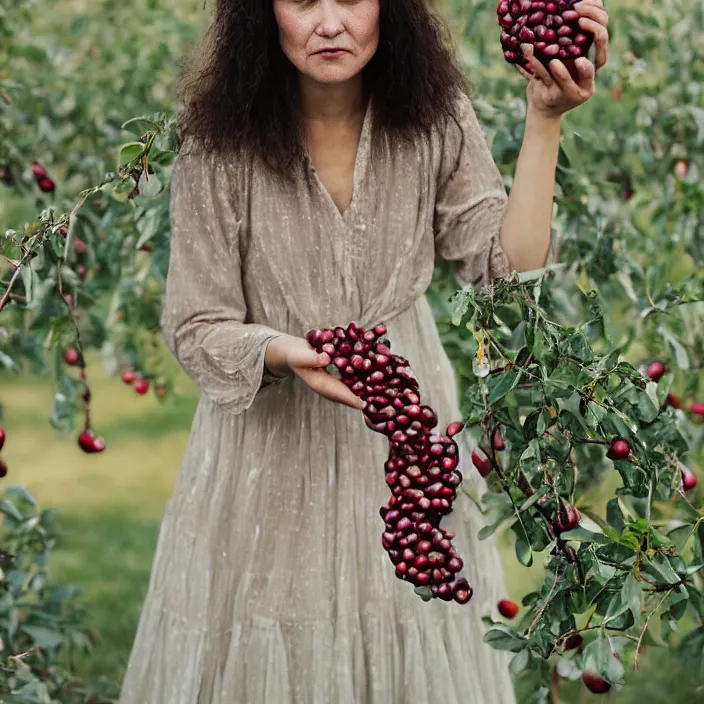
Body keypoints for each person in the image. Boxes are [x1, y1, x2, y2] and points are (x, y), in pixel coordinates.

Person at [118, 1, 609, 702]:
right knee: (276, 638)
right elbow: (197, 323)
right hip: (270, 451)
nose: (329, 23)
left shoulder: (434, 117)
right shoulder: (218, 143)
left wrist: (545, 119)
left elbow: (506, 272)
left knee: (409, 616)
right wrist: (282, 351)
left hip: (404, 427)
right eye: (301, 1)